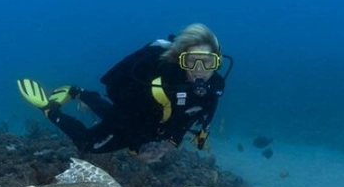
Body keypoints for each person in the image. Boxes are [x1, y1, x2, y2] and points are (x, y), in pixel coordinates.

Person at [17, 23, 232, 162]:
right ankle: (50, 110)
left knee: (112, 115)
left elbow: (192, 117)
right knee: (87, 144)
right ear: (180, 60)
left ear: (218, 63)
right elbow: (127, 117)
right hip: (132, 114)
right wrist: (135, 148)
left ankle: (79, 92)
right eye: (191, 61)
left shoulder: (215, 87)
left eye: (208, 62)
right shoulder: (160, 81)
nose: (199, 70)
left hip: (150, 123)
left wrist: (170, 144)